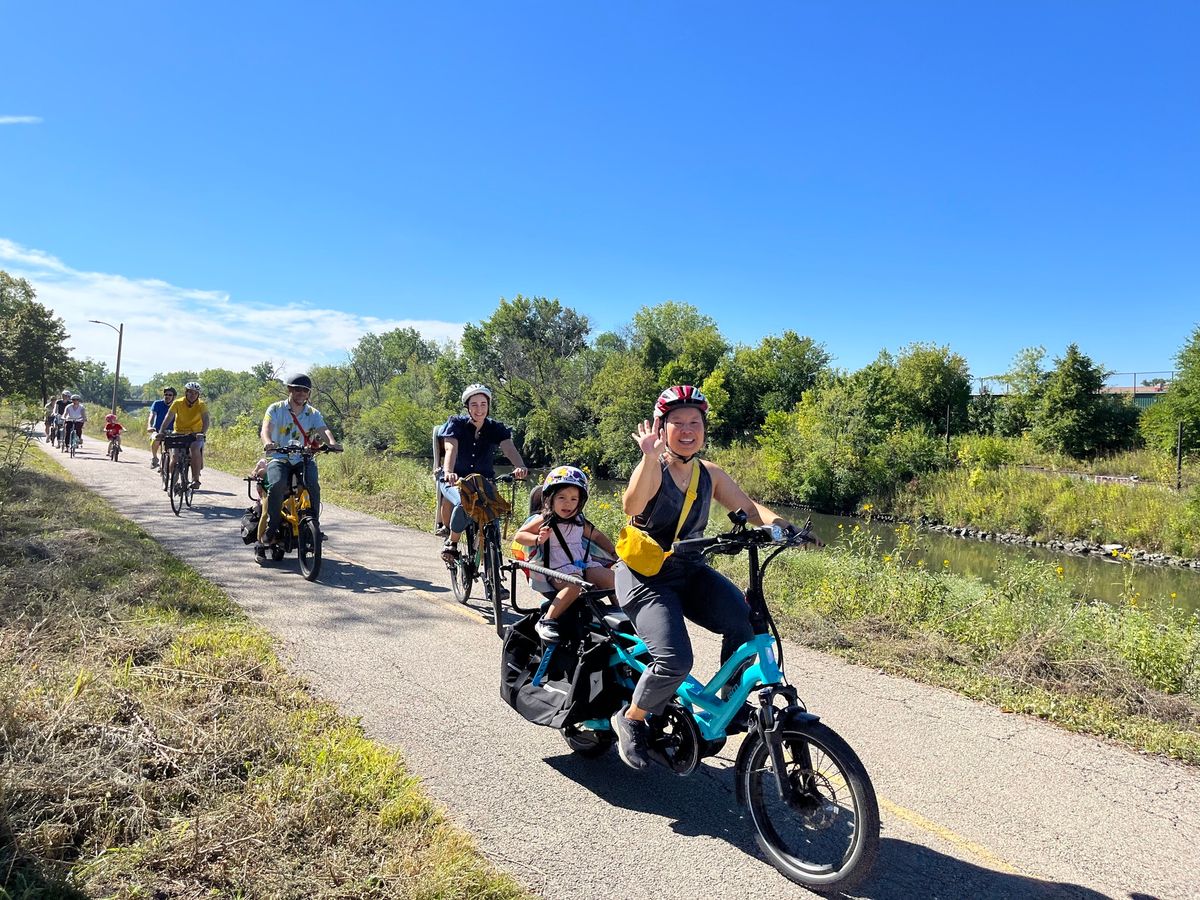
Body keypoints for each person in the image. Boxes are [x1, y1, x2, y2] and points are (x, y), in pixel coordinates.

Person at [608, 385, 794, 771]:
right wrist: (647, 456)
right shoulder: (653, 468)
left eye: (695, 422)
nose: (688, 429)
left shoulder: (709, 474)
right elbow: (633, 504)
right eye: (678, 422)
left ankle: (730, 699)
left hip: (689, 571)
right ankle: (632, 718)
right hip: (645, 577)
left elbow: (747, 507)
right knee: (675, 661)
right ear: (662, 428)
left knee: (744, 621)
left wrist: (781, 525)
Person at [511, 466, 617, 642]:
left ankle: (621, 614)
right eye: (562, 498)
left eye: (574, 499)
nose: (568, 503)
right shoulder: (545, 519)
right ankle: (547, 621)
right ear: (550, 499)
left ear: (580, 502)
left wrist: (614, 552)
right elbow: (520, 536)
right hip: (557, 571)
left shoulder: (579, 521)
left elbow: (597, 536)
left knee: (611, 578)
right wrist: (538, 538)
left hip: (582, 567)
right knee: (573, 586)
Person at [438, 383, 528, 563]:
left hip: (484, 481)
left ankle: (496, 579)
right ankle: (452, 544)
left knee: (493, 518)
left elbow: (509, 449)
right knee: (464, 504)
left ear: (488, 406)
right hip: (456, 479)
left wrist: (520, 466)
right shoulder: (456, 424)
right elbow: (450, 449)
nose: (479, 409)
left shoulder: (495, 428)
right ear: (467, 407)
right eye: (474, 404)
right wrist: (448, 472)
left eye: (483, 404)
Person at [259, 374, 341, 546]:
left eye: (305, 390)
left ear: (308, 393)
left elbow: (323, 430)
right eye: (297, 389)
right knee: (277, 485)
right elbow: (266, 428)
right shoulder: (275, 409)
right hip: (279, 457)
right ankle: (272, 528)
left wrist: (332, 443)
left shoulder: (312, 413)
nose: (301, 393)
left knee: (313, 485)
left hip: (303, 457)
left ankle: (314, 527)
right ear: (290, 390)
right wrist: (268, 442)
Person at [160, 382, 210, 489]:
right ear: (186, 393)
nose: (193, 395)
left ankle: (195, 480)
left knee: (195, 448)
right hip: (178, 432)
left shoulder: (201, 404)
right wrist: (161, 431)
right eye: (190, 392)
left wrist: (202, 433)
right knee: (175, 457)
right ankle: (173, 480)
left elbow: (206, 419)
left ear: (198, 395)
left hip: (196, 434)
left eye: (195, 393)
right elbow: (168, 417)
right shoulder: (177, 403)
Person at [146, 386, 177, 469]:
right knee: (156, 439)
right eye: (166, 394)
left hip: (172, 431)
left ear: (174, 397)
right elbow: (152, 415)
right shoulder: (157, 403)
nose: (167, 396)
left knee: (174, 448)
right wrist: (150, 426)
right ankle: (154, 458)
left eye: (170, 395)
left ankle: (169, 465)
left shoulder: (176, 405)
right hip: (157, 429)